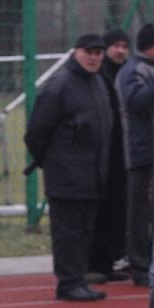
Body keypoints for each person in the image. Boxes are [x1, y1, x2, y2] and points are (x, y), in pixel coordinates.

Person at [25, 33, 113, 301]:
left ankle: (79, 278)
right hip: (66, 176)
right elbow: (36, 131)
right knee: (68, 233)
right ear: (76, 52)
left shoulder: (98, 83)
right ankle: (68, 283)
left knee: (85, 231)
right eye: (89, 52)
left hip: (93, 175)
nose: (94, 57)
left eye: (98, 53)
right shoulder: (59, 85)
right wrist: (52, 161)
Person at [87, 28, 130, 284]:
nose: (120, 50)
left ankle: (108, 261)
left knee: (117, 210)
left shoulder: (126, 74)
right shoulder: (98, 78)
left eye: (124, 46)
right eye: (116, 45)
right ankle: (93, 263)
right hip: (101, 155)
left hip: (122, 155)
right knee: (99, 211)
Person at [116, 24, 154, 287]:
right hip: (141, 152)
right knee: (139, 212)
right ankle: (139, 265)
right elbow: (136, 103)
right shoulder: (133, 71)